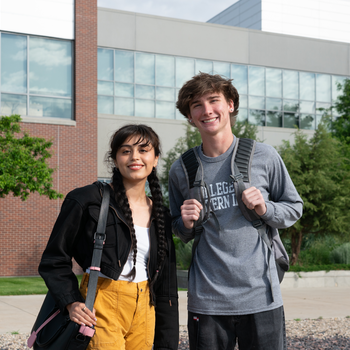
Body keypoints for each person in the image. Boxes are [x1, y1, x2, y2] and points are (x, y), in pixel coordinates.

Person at [168, 73, 303, 350]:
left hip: (262, 297)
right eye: (196, 105)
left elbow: (294, 208)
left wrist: (266, 208)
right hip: (207, 302)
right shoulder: (181, 169)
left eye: (214, 100)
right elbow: (178, 230)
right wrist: (185, 223)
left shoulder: (264, 155)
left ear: (230, 105)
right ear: (190, 116)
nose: (206, 110)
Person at [39, 124, 179, 350]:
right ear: (115, 159)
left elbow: (166, 287)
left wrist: (167, 344)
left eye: (143, 150)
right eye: (125, 151)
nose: (135, 157)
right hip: (101, 303)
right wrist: (71, 302)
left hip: (145, 307)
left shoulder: (161, 214)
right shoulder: (87, 199)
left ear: (155, 159)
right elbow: (54, 259)